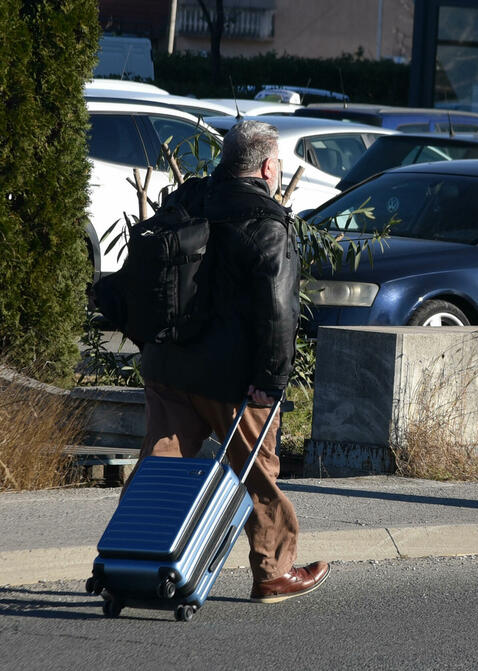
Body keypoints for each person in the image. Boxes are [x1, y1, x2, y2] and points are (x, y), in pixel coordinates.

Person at [136, 120, 329, 603]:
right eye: (278, 163)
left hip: (168, 366)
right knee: (258, 475)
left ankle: (136, 559)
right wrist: (270, 381)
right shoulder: (267, 222)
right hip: (233, 381)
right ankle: (273, 573)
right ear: (267, 167)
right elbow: (279, 312)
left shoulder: (190, 199)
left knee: (158, 468)